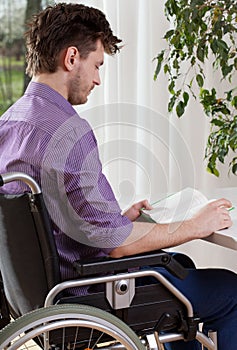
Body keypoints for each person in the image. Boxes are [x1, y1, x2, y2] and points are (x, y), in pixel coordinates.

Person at [0, 3, 237, 349]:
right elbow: (117, 246)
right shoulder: (68, 133)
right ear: (70, 59)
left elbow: (42, 219)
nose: (97, 79)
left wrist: (117, 218)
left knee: (180, 265)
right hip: (88, 293)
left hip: (37, 296)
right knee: (230, 291)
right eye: (96, 65)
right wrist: (196, 226)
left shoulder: (7, 125)